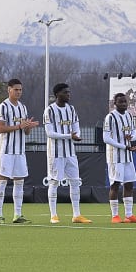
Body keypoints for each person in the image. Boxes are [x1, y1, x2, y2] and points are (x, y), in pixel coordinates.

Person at [0, 78, 40, 224]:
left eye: (20, 90)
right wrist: (19, 126)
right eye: (16, 89)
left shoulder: (22, 107)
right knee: (2, 181)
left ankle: (17, 214)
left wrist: (27, 126)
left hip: (19, 151)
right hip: (6, 151)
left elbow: (25, 132)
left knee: (19, 182)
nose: (19, 92)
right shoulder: (3, 107)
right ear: (9, 90)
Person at [44, 83, 90, 224]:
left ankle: (76, 215)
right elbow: (49, 133)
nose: (68, 94)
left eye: (69, 92)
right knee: (54, 181)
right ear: (58, 94)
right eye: (65, 92)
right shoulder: (50, 110)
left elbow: (76, 126)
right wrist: (69, 136)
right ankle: (53, 215)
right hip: (55, 153)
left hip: (70, 152)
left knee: (75, 182)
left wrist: (76, 135)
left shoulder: (71, 109)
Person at [103, 92, 136, 224]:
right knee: (115, 185)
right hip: (115, 156)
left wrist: (132, 137)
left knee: (129, 184)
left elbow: (135, 133)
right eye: (120, 102)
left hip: (127, 155)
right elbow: (106, 138)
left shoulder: (129, 115)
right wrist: (122, 146)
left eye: (125, 101)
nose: (123, 104)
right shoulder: (110, 117)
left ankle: (129, 215)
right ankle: (115, 215)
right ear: (115, 104)